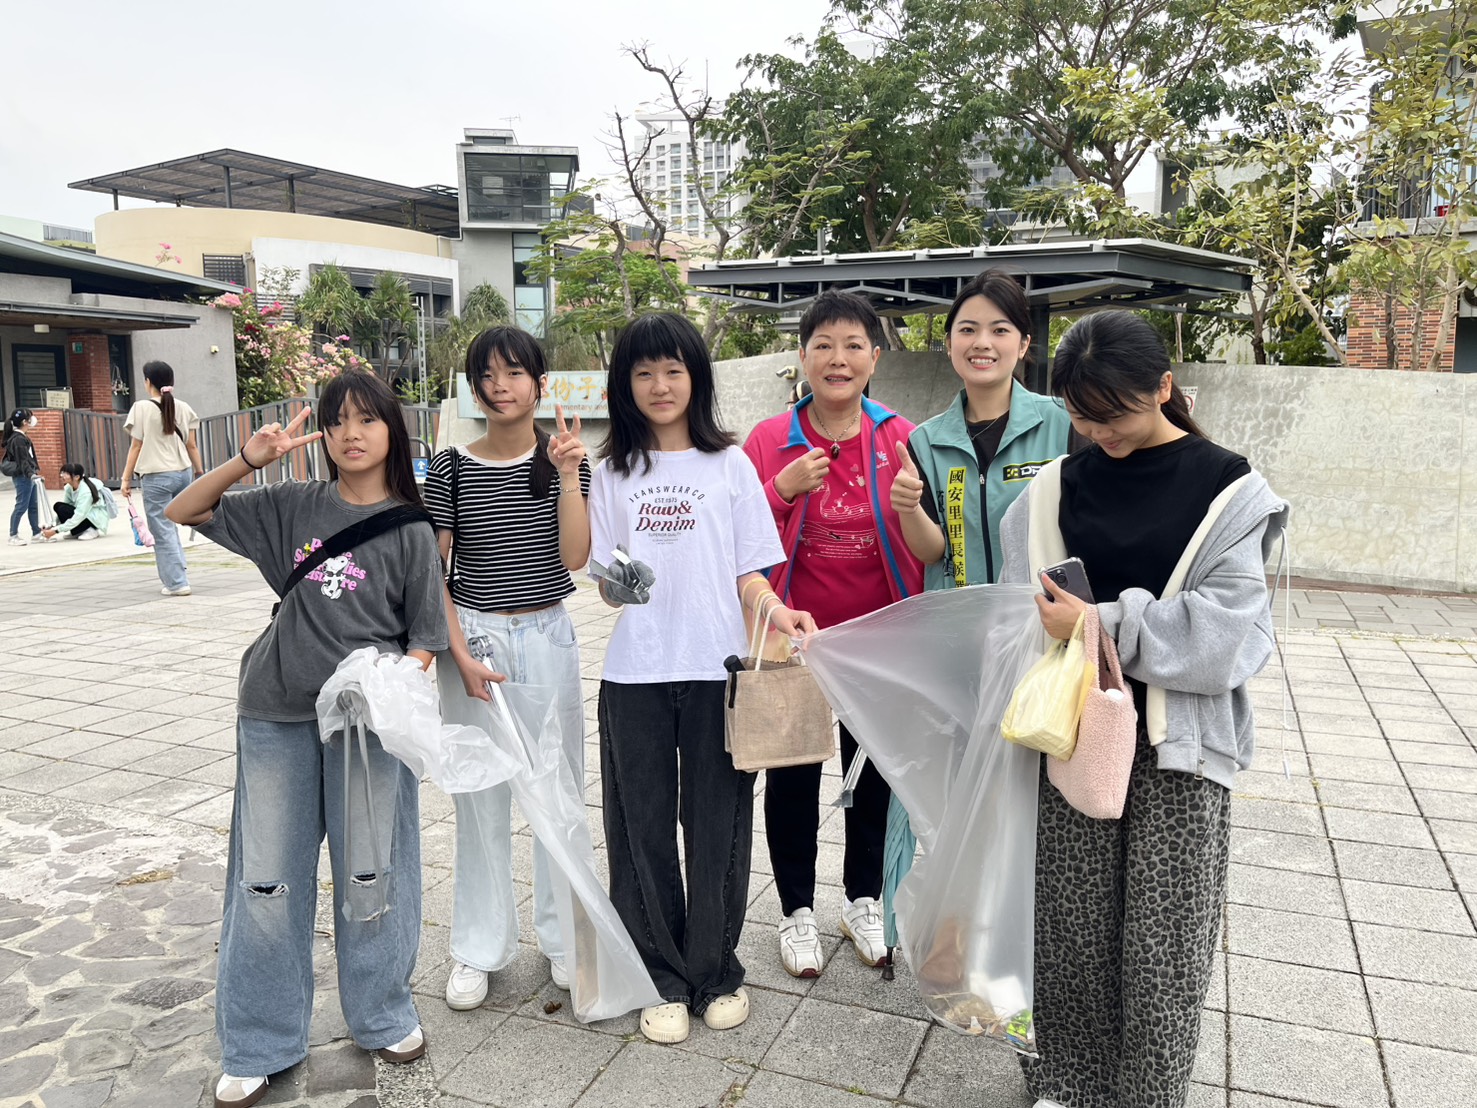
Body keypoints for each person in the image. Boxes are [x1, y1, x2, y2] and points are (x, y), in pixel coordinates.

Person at [998, 311, 1288, 1108]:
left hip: (1177, 751)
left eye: (1114, 413)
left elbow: (1229, 637)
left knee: (1164, 946)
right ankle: (1062, 1082)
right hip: (1069, 739)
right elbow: (1013, 612)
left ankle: (1144, 1095)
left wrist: (1097, 624)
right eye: (1081, 416)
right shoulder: (1049, 490)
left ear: (1163, 387)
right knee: (1065, 928)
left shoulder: (1228, 490)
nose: (1100, 433)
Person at [166, 370, 448, 1108]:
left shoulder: (412, 529)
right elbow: (183, 508)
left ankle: (383, 1013)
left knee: (374, 872)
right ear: (322, 434)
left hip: (367, 730)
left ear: (392, 430)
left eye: (367, 418)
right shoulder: (291, 504)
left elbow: (426, 639)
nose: (352, 433)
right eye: (337, 420)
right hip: (276, 716)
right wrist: (249, 459)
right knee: (266, 881)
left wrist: (388, 683)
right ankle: (258, 1041)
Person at [587, 312, 817, 1046]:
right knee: (640, 828)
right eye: (643, 372)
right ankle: (659, 976)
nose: (659, 385)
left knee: (718, 825)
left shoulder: (730, 465)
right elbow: (605, 581)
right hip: (635, 675)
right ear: (624, 384)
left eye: (673, 370)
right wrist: (619, 586)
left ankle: (715, 971)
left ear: (696, 378)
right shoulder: (611, 471)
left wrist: (776, 611)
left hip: (719, 672)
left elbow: (748, 573)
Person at [885, 270, 1077, 962]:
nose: (982, 342)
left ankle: (1027, 939)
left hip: (1042, 644)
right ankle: (957, 935)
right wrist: (908, 508)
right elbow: (931, 550)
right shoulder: (926, 439)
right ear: (948, 344)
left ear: (1023, 344)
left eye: (999, 329)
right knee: (957, 793)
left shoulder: (1060, 424)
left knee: (1032, 791)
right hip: (958, 646)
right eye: (967, 329)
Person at [742, 290, 923, 978]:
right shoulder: (768, 441)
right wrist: (781, 489)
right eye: (823, 345)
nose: (837, 359)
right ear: (802, 356)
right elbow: (737, 539)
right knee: (791, 777)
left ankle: (863, 899)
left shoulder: (900, 437)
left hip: (880, 639)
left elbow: (927, 538)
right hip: (795, 639)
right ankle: (795, 910)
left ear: (875, 357)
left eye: (852, 346)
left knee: (872, 775)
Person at [423, 326, 591, 1012]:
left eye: (515, 372)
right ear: (474, 389)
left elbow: (575, 556)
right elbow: (434, 570)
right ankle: (477, 947)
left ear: (539, 384)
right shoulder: (450, 467)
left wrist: (571, 476)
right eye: (487, 375)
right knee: (480, 796)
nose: (500, 386)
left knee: (559, 790)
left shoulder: (562, 458)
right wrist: (457, 652)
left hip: (546, 634)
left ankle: (565, 940)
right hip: (475, 638)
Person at [121, 361, 204, 595]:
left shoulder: (140, 408)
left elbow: (136, 446)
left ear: (148, 382)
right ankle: (179, 571)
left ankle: (177, 583)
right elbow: (192, 445)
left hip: (156, 476)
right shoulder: (184, 407)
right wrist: (199, 472)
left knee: (163, 529)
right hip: (183, 473)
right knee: (172, 526)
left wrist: (126, 479)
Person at [41, 463, 110, 540]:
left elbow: (80, 514)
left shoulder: (85, 492)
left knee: (63, 509)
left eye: (66, 474)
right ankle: (78, 531)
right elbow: (66, 507)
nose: (62, 475)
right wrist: (52, 525)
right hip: (82, 515)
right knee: (59, 507)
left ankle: (91, 530)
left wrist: (56, 531)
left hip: (93, 519)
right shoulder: (69, 487)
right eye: (62, 472)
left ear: (77, 477)